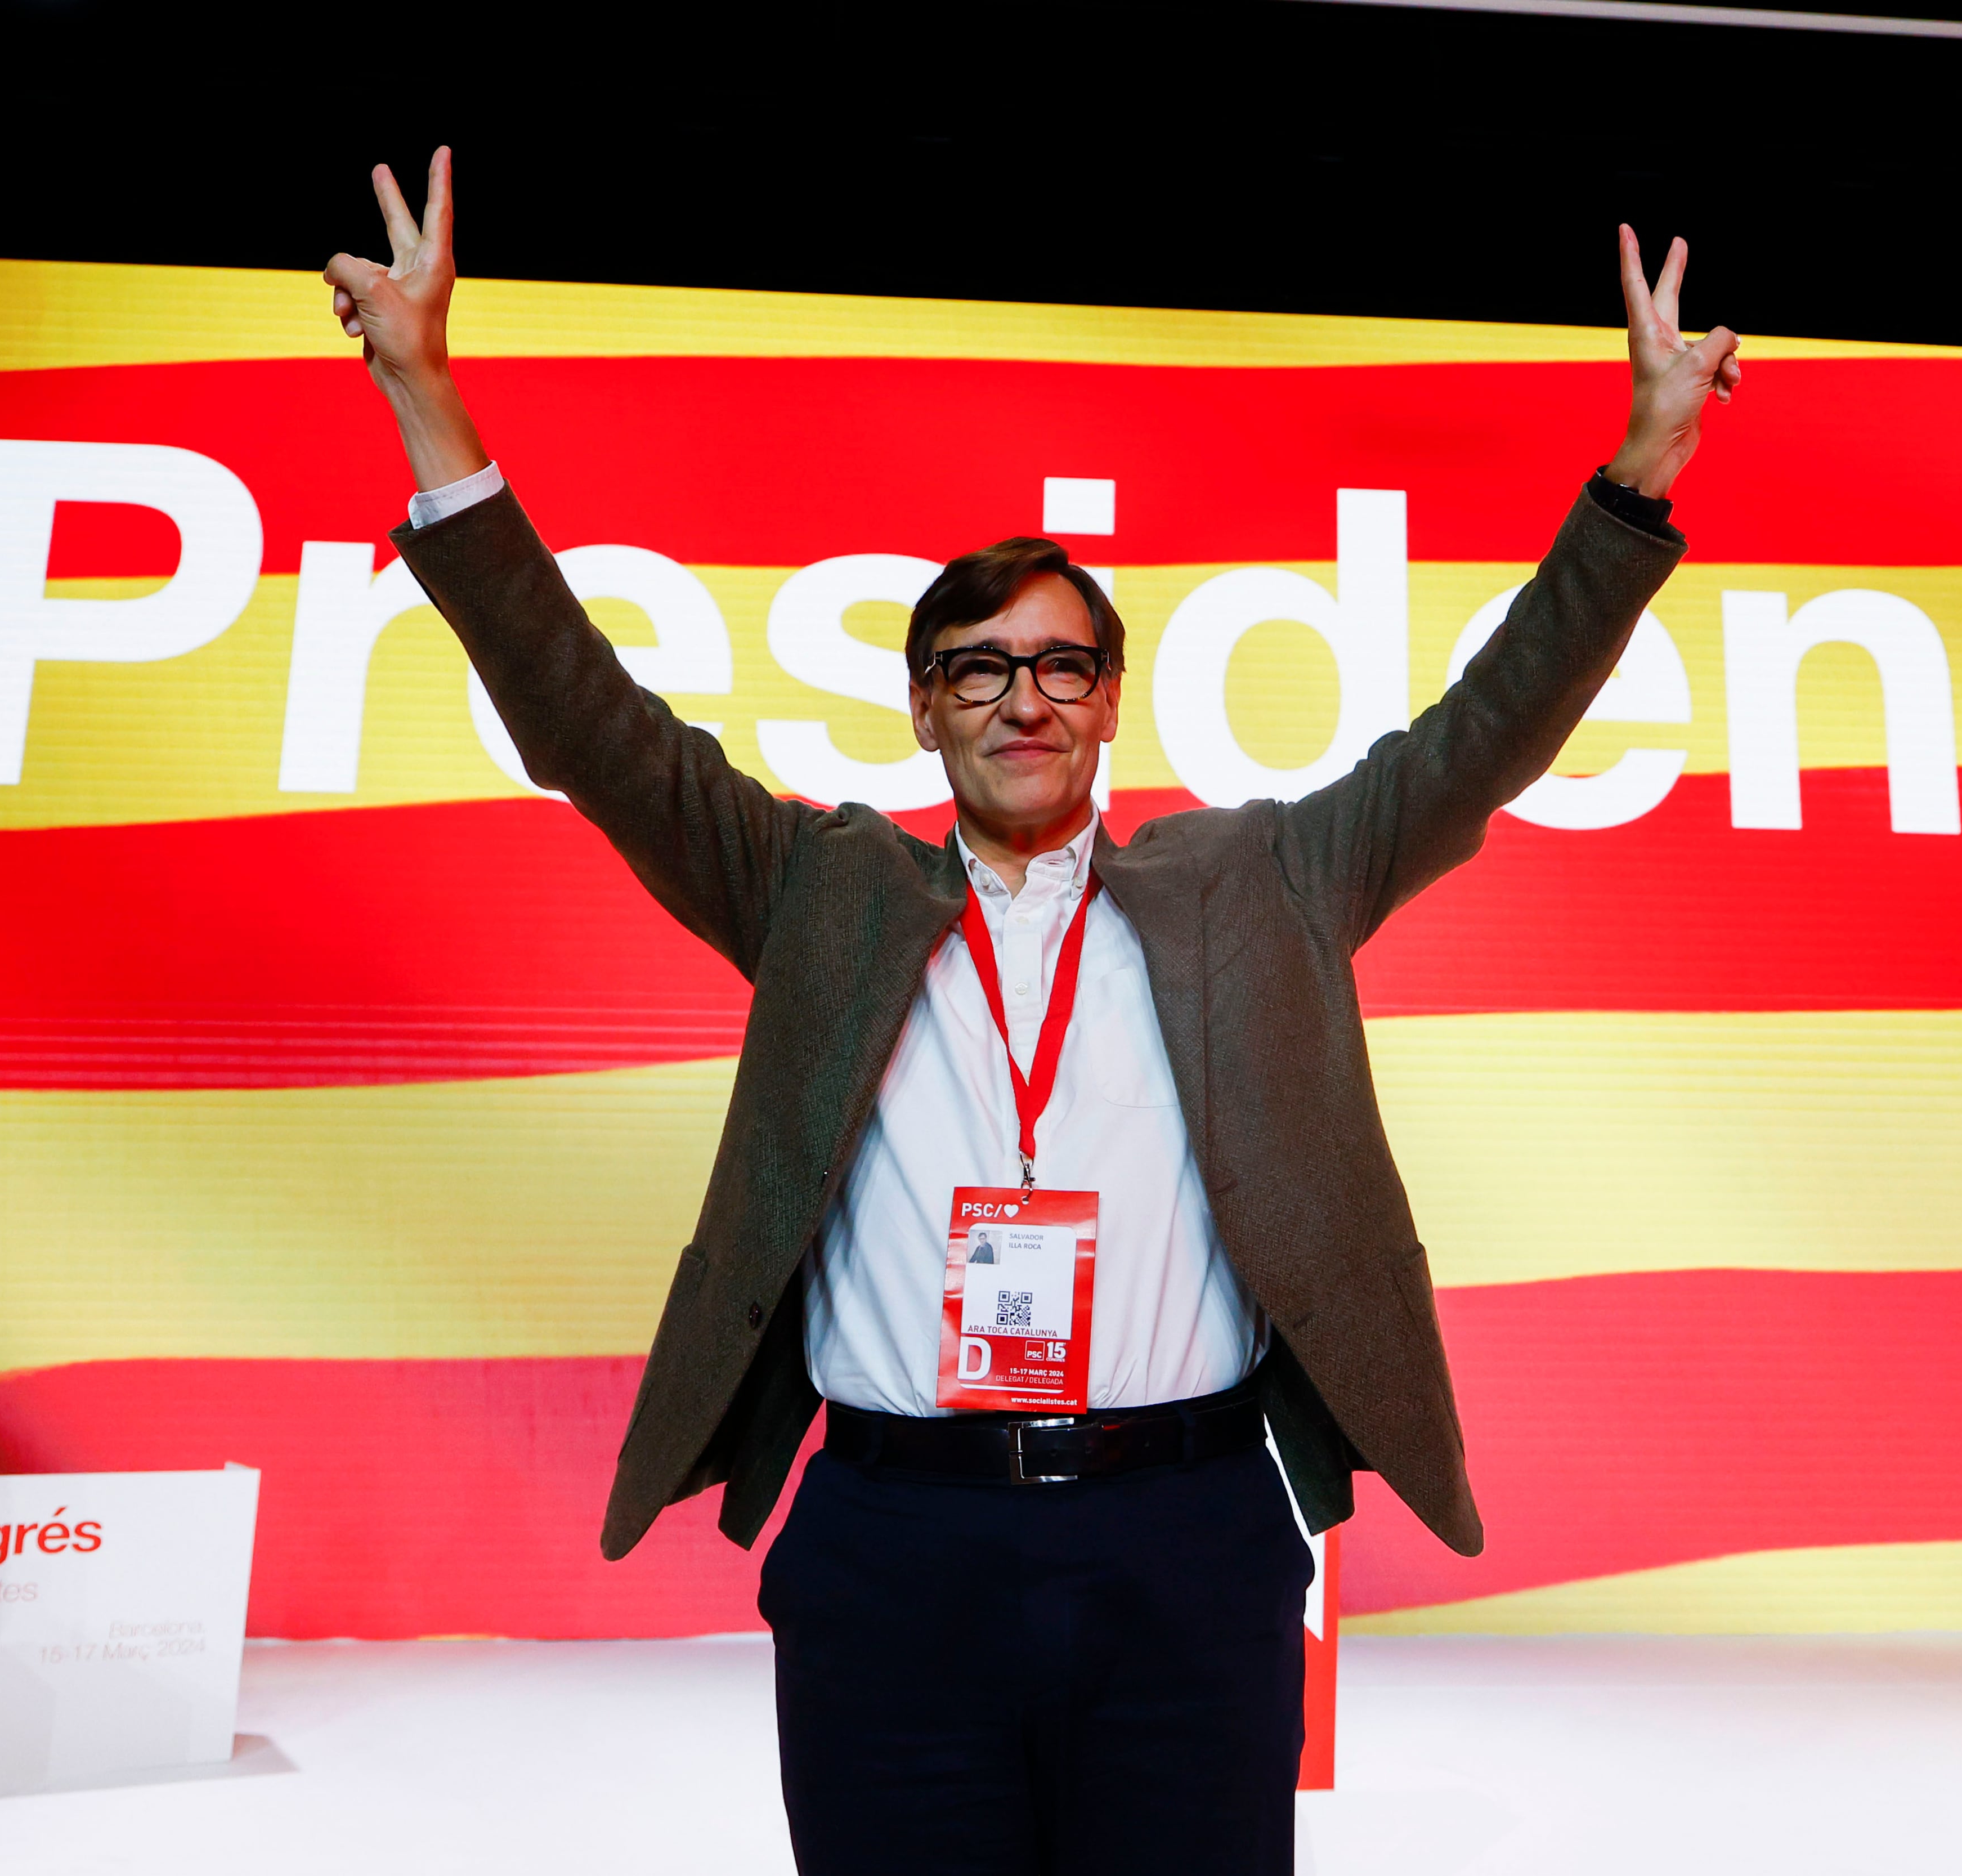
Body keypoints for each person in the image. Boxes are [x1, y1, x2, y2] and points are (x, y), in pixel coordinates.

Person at [325, 147, 1739, 1876]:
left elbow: (1486, 731)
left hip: (1191, 1537)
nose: (1022, 700)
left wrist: (1646, 464)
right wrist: (427, 396)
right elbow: (590, 725)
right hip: (895, 1545)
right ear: (925, 713)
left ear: (1108, 705)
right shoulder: (821, 892)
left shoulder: (1258, 883)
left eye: (1060, 664)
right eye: (978, 668)